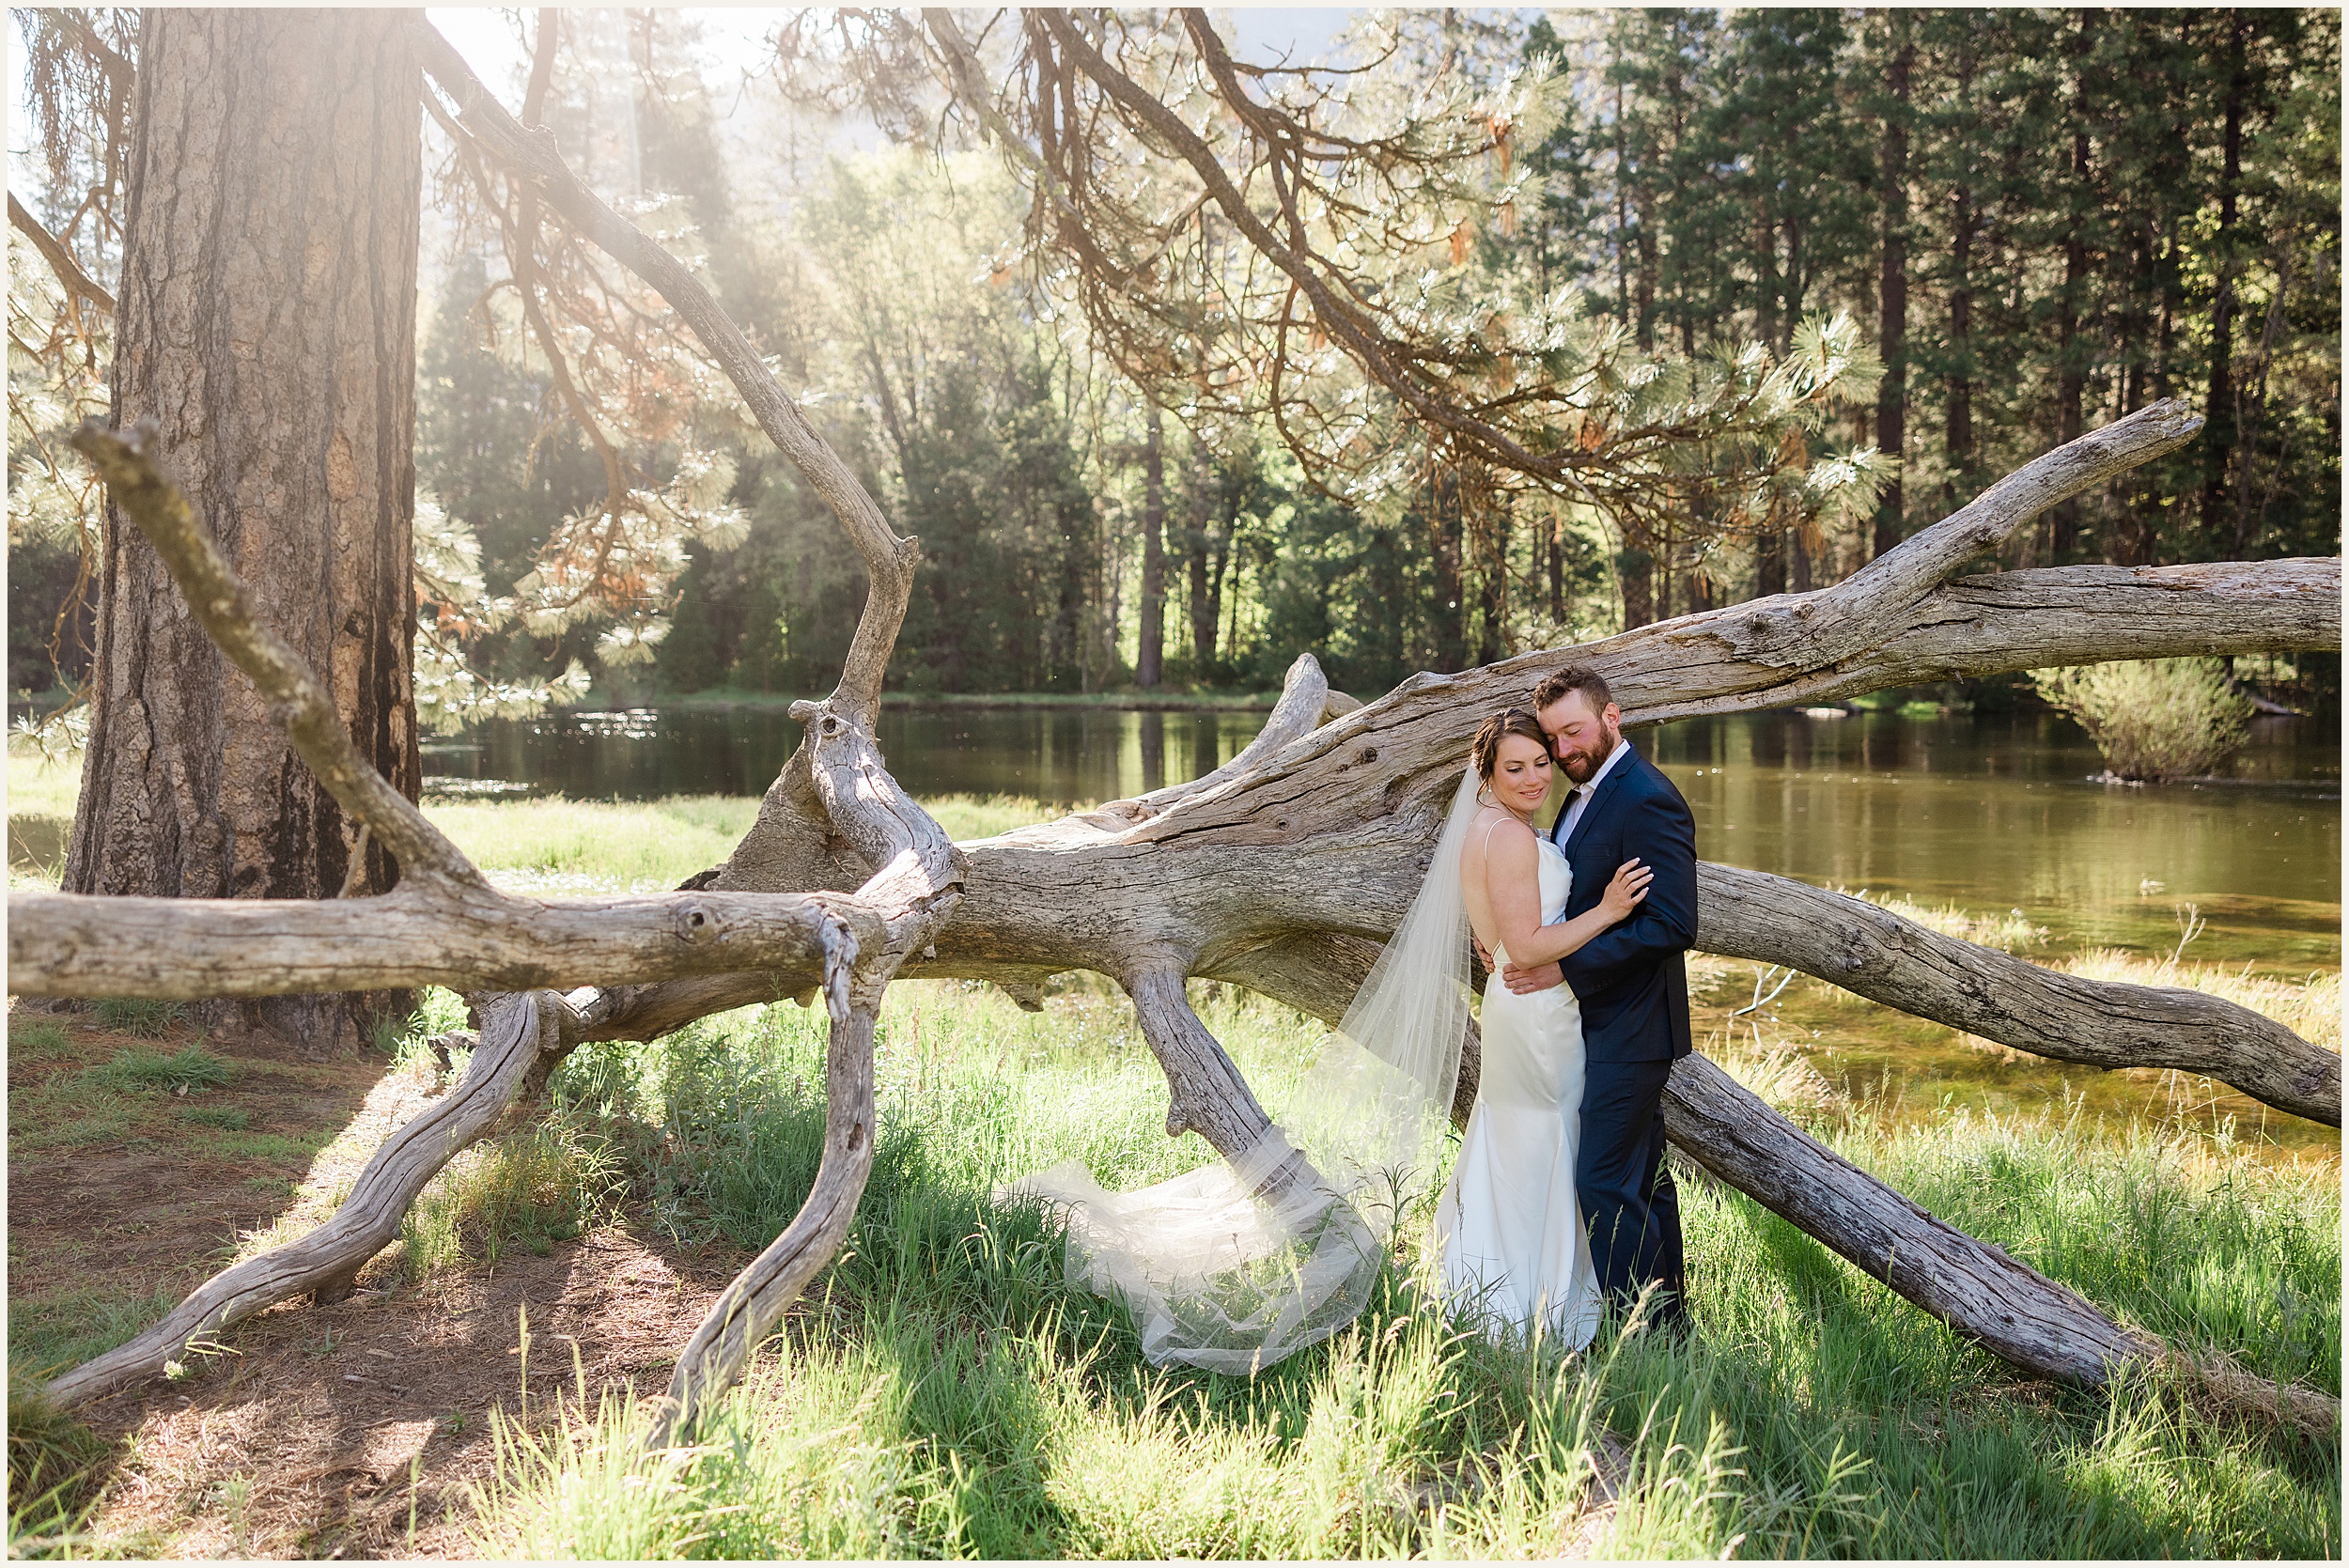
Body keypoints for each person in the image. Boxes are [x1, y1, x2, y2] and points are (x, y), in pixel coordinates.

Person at [1493, 665, 1699, 1336]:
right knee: (1643, 1181)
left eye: (1573, 730)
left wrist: (1566, 970)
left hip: (1634, 1026)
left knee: (1604, 1180)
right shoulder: (1583, 793)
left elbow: (1672, 924)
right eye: (1551, 736)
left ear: (1612, 717)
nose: (1561, 749)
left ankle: (1636, 1335)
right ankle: (1669, 1331)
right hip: (1599, 1024)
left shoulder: (1646, 798)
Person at [1440, 707, 1653, 1351]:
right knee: (1551, 1137)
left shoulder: (1488, 826)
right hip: (1537, 1010)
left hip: (1518, 1005)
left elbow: (1501, 935)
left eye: (1541, 762)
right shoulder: (1506, 837)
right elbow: (1528, 946)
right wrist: (1611, 910)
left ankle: (1487, 1284)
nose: (1535, 778)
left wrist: (1504, 946)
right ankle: (1543, 1300)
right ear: (1488, 771)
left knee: (1517, 1134)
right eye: (1516, 768)